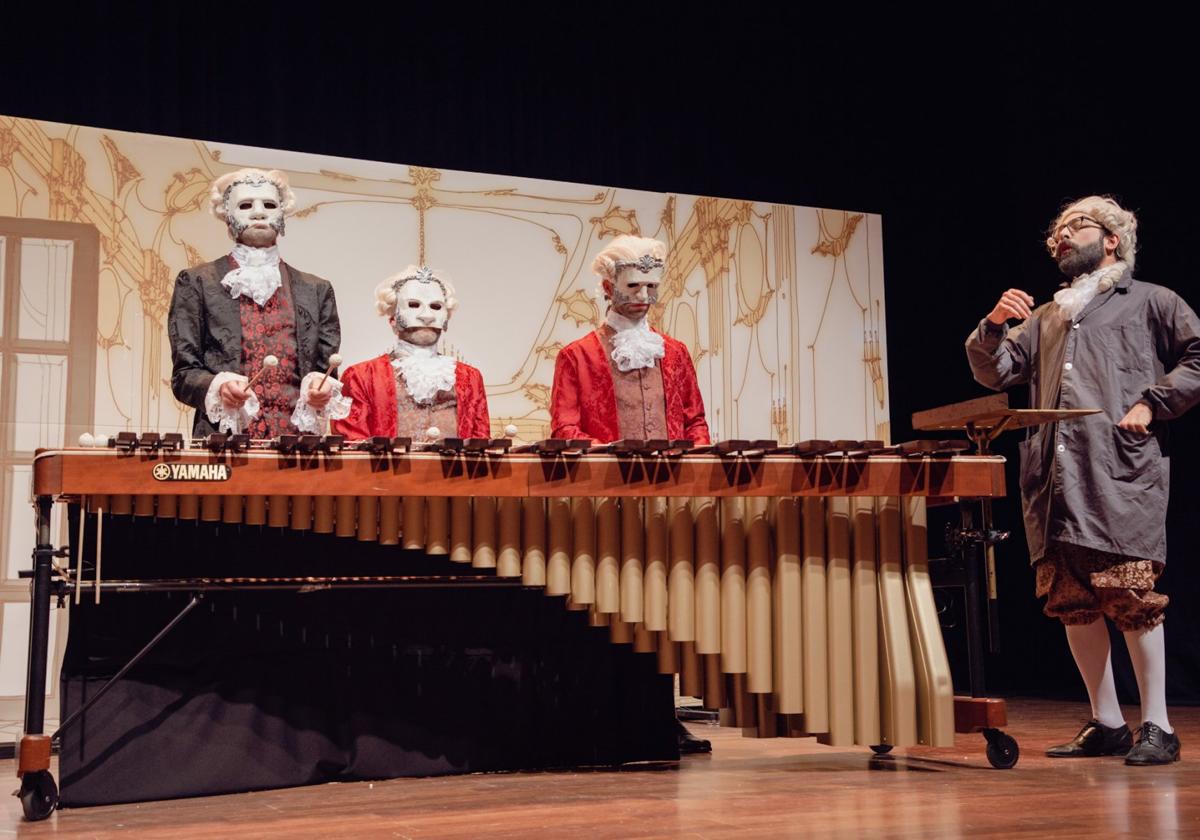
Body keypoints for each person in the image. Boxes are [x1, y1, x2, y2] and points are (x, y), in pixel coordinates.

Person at [966, 195, 1200, 765]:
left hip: (1116, 470)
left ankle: (1159, 726)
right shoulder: (1047, 316)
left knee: (1130, 594)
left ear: (1112, 239)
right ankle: (1108, 721)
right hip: (1053, 480)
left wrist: (1152, 403)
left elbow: (1197, 357)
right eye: (1057, 233)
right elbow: (993, 369)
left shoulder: (1152, 302)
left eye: (1076, 227)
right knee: (1072, 602)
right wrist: (994, 324)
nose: (1061, 238)